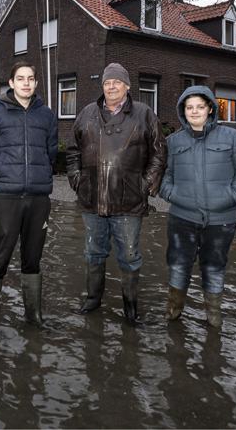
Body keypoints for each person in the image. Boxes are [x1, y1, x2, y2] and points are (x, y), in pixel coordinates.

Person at [66, 63, 167, 324]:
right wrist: (76, 179)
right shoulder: (87, 113)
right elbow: (72, 150)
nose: (111, 86)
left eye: (117, 82)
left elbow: (159, 153)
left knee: (130, 256)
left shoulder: (145, 114)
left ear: (127, 86)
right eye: (107, 83)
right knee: (93, 253)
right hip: (92, 200)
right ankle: (93, 300)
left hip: (129, 202)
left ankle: (130, 308)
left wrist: (146, 185)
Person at [159, 86, 236, 328]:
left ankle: (214, 316)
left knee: (214, 266)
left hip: (221, 220)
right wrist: (173, 194)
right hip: (182, 217)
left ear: (210, 108)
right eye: (189, 107)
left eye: (200, 107)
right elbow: (162, 175)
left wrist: (232, 196)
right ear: (183, 111)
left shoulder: (232, 138)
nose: (194, 112)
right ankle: (173, 311)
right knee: (178, 265)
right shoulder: (173, 142)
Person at [0, 62, 58, 342]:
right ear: (11, 82)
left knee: (32, 261)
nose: (26, 83)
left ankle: (33, 317)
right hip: (6, 199)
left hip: (38, 200)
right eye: (20, 78)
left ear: (36, 83)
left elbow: (50, 152)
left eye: (31, 79)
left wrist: (41, 179)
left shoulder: (46, 115)